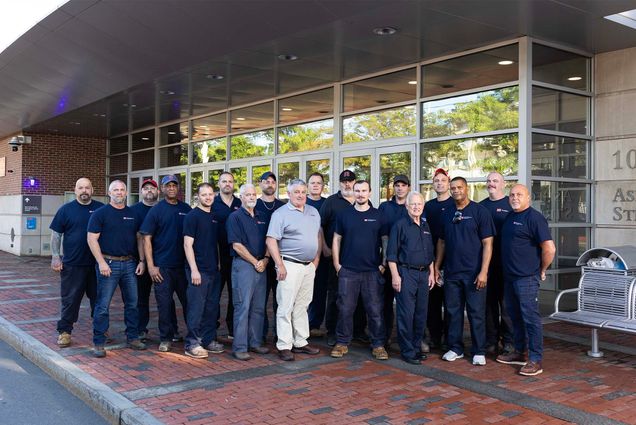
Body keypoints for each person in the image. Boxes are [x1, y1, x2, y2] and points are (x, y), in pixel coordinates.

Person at [434, 176, 494, 366]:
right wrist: (436, 266)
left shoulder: (479, 212)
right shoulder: (447, 212)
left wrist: (484, 271)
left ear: (467, 188)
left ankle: (478, 350)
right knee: (453, 312)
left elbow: (488, 243)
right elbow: (441, 242)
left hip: (474, 273)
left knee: (476, 313)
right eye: (453, 188)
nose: (456, 190)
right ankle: (455, 348)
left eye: (459, 187)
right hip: (452, 273)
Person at [496, 184, 555, 376]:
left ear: (528, 197)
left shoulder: (535, 218)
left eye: (519, 195)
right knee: (515, 317)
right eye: (512, 195)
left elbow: (549, 249)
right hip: (509, 278)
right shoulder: (510, 217)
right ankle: (520, 352)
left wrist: (541, 270)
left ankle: (535, 359)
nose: (514, 198)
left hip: (527, 278)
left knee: (530, 319)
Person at [330, 180, 389, 361]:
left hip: (372, 271)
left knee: (375, 310)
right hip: (348, 271)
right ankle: (342, 342)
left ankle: (378, 345)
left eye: (364, 191)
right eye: (357, 191)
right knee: (345, 309)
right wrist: (337, 264)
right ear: (353, 192)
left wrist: (383, 264)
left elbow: (385, 240)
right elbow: (336, 240)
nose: (361, 194)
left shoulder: (379, 215)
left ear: (370, 193)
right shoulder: (344, 214)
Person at [87, 180, 146, 357]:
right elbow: (91, 239)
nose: (119, 193)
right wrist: (101, 262)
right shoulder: (100, 214)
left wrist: (142, 261)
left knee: (133, 304)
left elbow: (139, 238)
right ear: (109, 193)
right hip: (109, 264)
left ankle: (133, 337)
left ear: (126, 193)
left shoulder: (133, 214)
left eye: (122, 190)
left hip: (129, 264)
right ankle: (99, 342)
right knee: (103, 305)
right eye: (115, 190)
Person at [266, 179, 322, 361]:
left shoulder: (313, 212)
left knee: (302, 305)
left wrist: (316, 260)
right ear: (289, 194)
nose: (300, 195)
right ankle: (284, 345)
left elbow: (317, 236)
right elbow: (271, 240)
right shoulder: (280, 214)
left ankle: (301, 342)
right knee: (285, 306)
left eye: (303, 192)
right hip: (289, 265)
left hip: (308, 267)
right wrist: (279, 265)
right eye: (296, 192)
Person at [140, 175, 192, 352]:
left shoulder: (187, 209)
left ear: (178, 188)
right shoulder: (156, 210)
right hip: (162, 267)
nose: (171, 188)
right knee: (164, 304)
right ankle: (166, 338)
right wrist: (151, 265)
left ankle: (193, 336)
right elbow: (146, 239)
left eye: (174, 185)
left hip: (183, 266)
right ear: (162, 189)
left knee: (189, 303)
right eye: (167, 185)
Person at [50, 177, 104, 348]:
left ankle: (101, 331)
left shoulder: (101, 209)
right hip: (73, 265)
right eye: (81, 188)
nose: (84, 191)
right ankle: (65, 332)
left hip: (96, 265)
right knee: (70, 300)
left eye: (87, 187)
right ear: (75, 190)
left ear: (92, 190)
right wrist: (55, 256)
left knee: (99, 300)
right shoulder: (65, 210)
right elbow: (56, 235)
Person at [319, 170, 368, 347]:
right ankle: (332, 331)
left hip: (358, 259)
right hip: (336, 258)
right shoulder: (331, 202)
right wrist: (324, 248)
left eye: (350, 181)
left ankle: (359, 330)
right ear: (339, 183)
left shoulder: (362, 201)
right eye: (344, 181)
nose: (347, 184)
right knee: (335, 294)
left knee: (359, 296)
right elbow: (320, 227)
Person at [387, 191, 435, 364]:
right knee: (406, 314)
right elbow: (391, 254)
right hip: (406, 273)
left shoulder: (425, 225)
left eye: (419, 204)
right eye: (413, 204)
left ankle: (416, 347)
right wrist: (395, 276)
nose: (416, 207)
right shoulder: (399, 225)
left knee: (421, 313)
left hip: (424, 274)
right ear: (407, 206)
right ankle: (407, 351)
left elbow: (429, 252)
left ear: (423, 206)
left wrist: (431, 272)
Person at [226, 184, 271, 360]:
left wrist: (266, 260)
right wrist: (255, 262)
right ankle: (239, 347)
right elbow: (236, 245)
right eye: (248, 194)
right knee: (242, 306)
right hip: (244, 265)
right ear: (241, 197)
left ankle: (255, 342)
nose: (251, 197)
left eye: (254, 194)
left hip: (261, 264)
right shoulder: (235, 217)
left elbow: (270, 239)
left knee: (259, 307)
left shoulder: (262, 216)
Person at [182, 183, 224, 359]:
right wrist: (194, 270)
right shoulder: (192, 217)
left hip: (214, 270)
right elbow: (187, 244)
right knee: (196, 309)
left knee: (211, 308)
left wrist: (219, 263)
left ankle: (207, 340)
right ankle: (192, 343)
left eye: (210, 194)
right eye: (204, 194)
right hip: (198, 271)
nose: (208, 197)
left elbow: (215, 243)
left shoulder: (214, 217)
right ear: (197, 196)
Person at [480, 172, 514, 355]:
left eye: (495, 181)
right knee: (489, 306)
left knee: (507, 306)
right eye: (489, 181)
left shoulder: (511, 204)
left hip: (507, 266)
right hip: (487, 266)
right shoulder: (481, 206)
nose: (491, 183)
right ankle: (491, 341)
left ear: (503, 184)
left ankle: (509, 341)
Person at [423, 168, 454, 352]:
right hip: (431, 261)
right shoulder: (428, 206)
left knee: (450, 303)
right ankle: (434, 337)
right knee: (432, 304)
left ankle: (450, 340)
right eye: (436, 181)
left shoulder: (454, 205)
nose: (439, 183)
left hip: (451, 262)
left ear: (448, 183)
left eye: (443, 180)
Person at [378, 174, 410, 346]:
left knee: (406, 304)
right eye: (396, 185)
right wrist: (383, 262)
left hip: (407, 263)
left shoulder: (412, 207)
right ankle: (385, 336)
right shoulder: (385, 207)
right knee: (385, 302)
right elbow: (381, 236)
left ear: (408, 187)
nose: (399, 188)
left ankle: (407, 338)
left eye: (403, 185)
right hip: (388, 261)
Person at [210, 171, 242, 339]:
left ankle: (232, 329)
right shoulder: (212, 203)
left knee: (235, 293)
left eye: (230, 181)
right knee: (214, 295)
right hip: (217, 256)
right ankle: (212, 329)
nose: (227, 184)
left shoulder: (240, 202)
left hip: (237, 255)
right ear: (219, 184)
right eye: (224, 181)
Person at [255, 171, 285, 341]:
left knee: (280, 300)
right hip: (260, 261)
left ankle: (279, 334)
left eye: (273, 181)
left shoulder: (283, 207)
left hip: (279, 260)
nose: (270, 184)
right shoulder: (254, 205)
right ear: (261, 184)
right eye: (266, 181)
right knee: (260, 301)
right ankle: (261, 334)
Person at [130, 178, 159, 341]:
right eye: (146, 188)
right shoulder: (133, 211)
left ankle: (171, 330)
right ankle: (141, 329)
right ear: (141, 192)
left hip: (161, 260)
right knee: (141, 297)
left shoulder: (163, 208)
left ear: (157, 191)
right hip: (139, 262)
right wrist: (142, 260)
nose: (149, 190)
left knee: (165, 298)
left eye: (152, 188)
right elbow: (136, 236)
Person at [306, 172, 328, 336]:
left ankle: (314, 325)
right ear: (308, 185)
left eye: (318, 183)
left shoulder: (327, 204)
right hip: (304, 255)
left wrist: (326, 249)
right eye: (312, 182)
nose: (315, 185)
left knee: (319, 291)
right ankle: (301, 323)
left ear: (322, 186)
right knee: (303, 291)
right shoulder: (301, 202)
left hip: (323, 255)